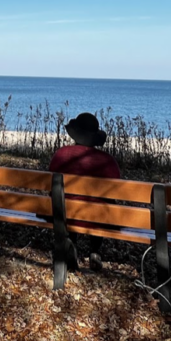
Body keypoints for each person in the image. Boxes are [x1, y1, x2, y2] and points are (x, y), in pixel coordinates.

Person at [48, 112, 122, 270]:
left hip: (62, 213)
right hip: (98, 217)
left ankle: (71, 244)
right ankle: (95, 251)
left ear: (75, 134)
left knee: (66, 199)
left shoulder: (60, 155)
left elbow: (50, 184)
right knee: (102, 203)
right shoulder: (107, 161)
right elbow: (116, 189)